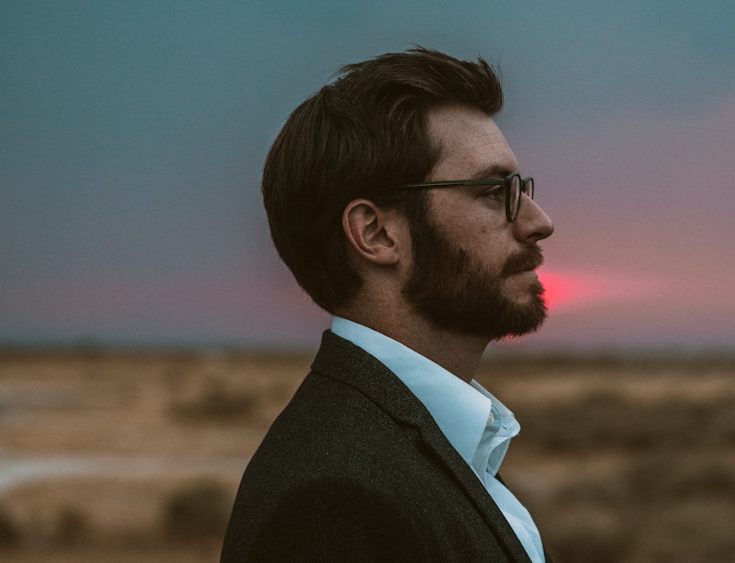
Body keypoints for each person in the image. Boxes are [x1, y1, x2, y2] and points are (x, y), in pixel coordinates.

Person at [220, 47, 555, 563]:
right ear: (375, 233)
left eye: (520, 188)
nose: (538, 220)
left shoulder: (434, 443)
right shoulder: (331, 503)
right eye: (493, 191)